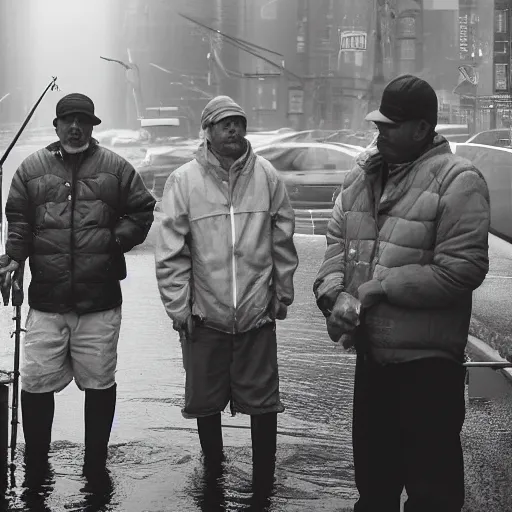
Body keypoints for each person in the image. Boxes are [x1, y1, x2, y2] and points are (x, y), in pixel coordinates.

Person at [313, 75, 490, 512]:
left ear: (421, 128)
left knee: (433, 495)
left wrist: (378, 288)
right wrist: (334, 298)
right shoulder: (363, 175)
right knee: (374, 491)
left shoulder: (459, 181)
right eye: (378, 125)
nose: (380, 134)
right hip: (373, 362)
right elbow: (336, 248)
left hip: (428, 370)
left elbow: (463, 270)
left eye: (390, 126)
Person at [0, 93, 156, 490]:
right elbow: (17, 216)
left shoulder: (117, 168)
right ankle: (37, 464)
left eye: (82, 121)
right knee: (35, 383)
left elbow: (142, 210)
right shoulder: (30, 170)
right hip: (46, 301)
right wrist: (14, 257)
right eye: (67, 120)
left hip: (100, 302)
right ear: (56, 126)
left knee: (100, 383)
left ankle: (95, 466)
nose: (74, 127)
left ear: (92, 126)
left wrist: (113, 241)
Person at [155, 95, 298, 494]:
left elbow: (282, 239)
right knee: (205, 400)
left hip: (256, 313)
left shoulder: (267, 176)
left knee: (264, 401)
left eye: (239, 122)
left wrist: (281, 293)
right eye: (224, 124)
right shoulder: (184, 181)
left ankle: (263, 483)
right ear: (208, 131)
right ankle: (213, 470)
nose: (233, 129)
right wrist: (179, 306)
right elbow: (171, 252)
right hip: (205, 314)